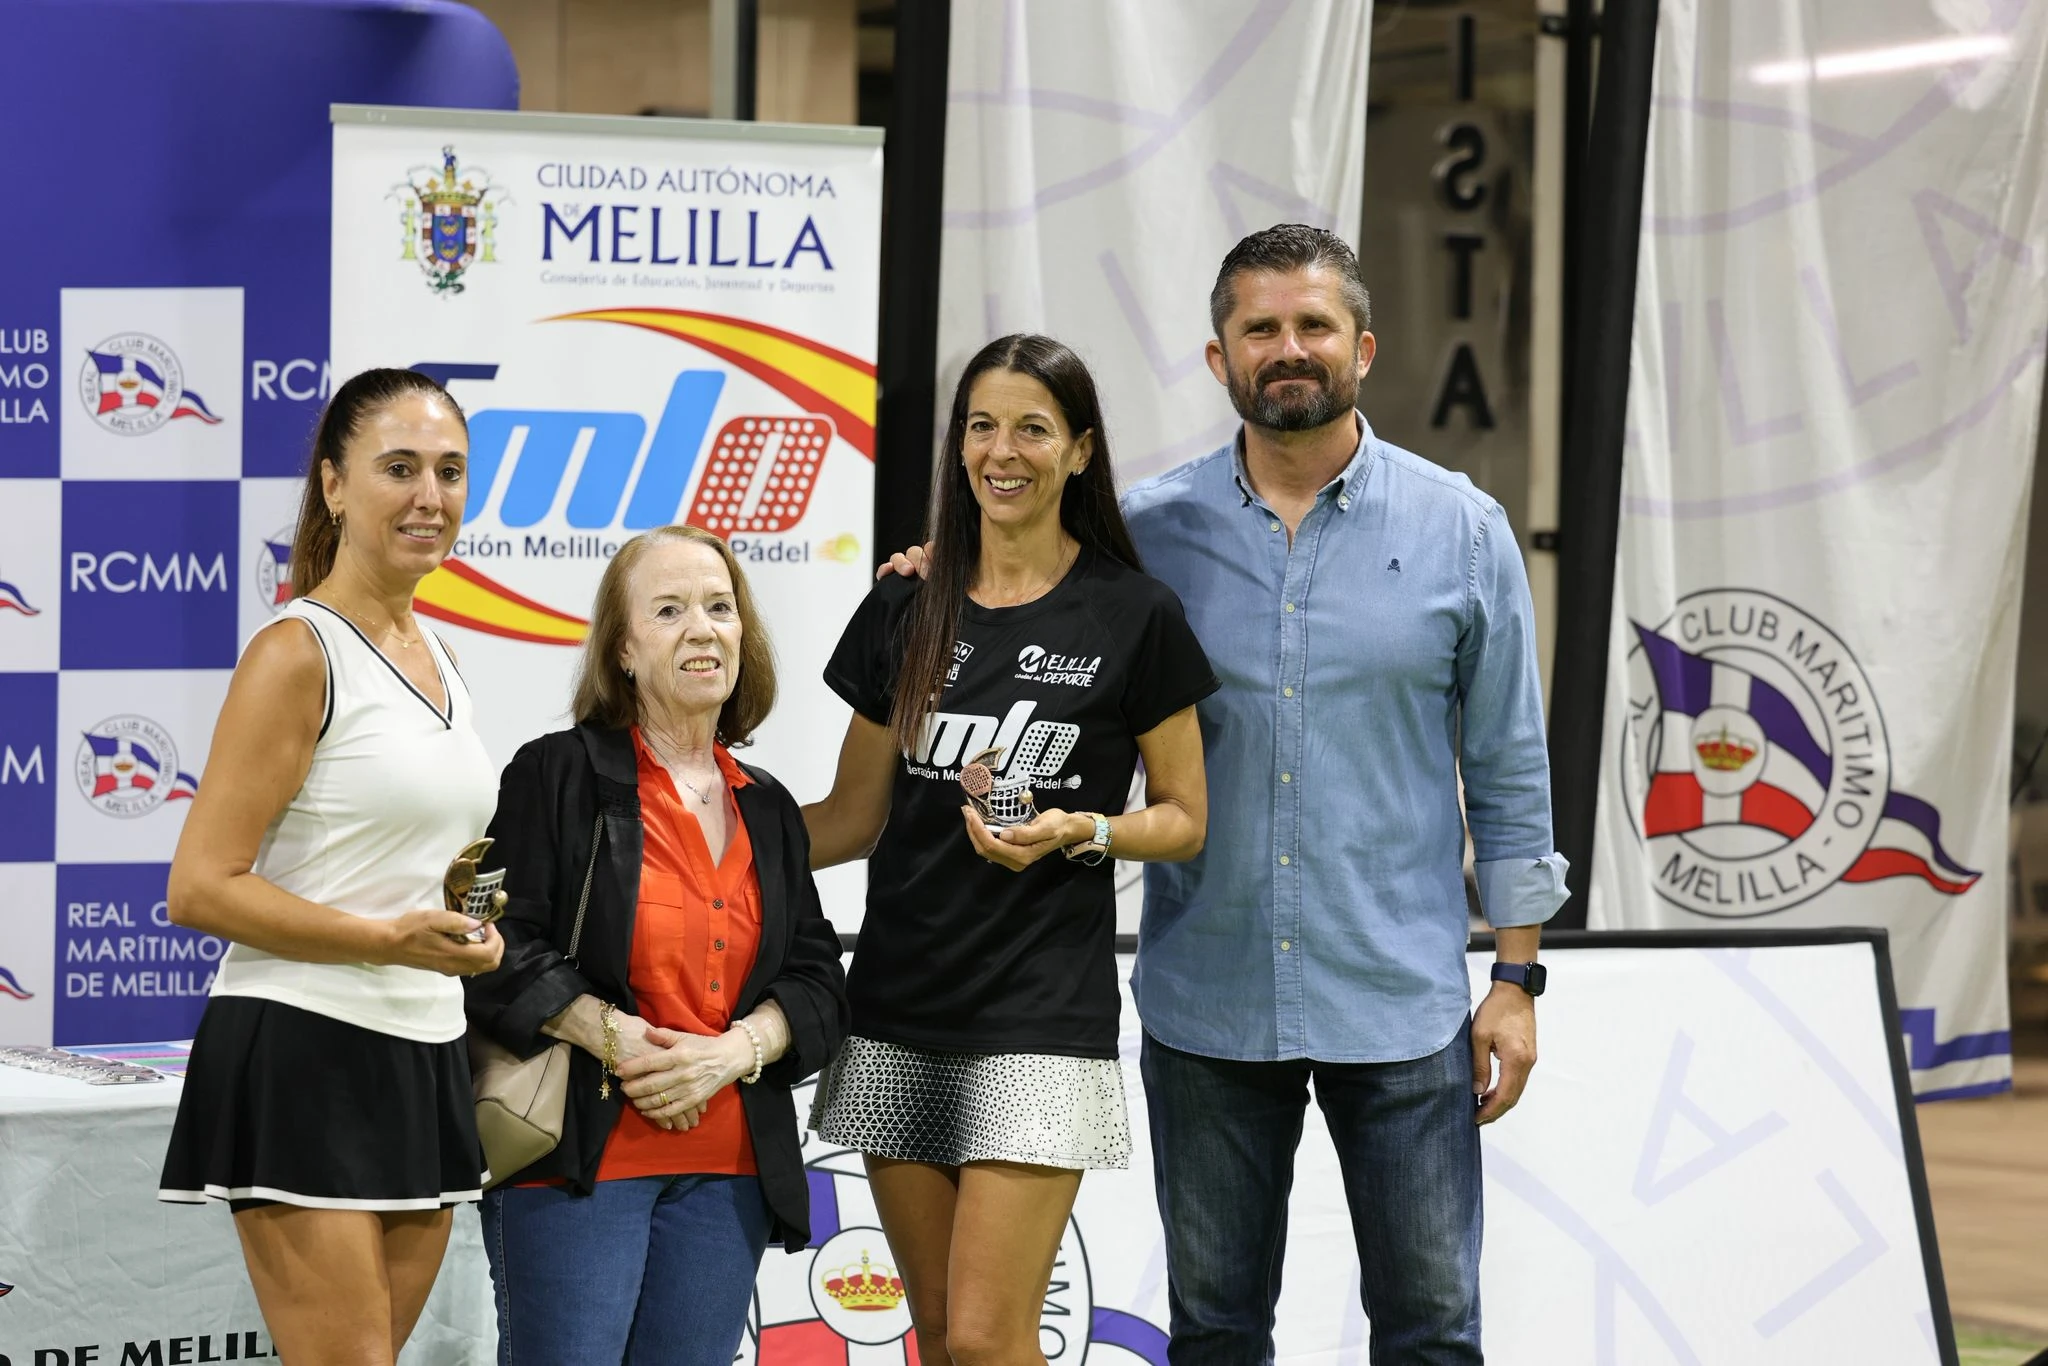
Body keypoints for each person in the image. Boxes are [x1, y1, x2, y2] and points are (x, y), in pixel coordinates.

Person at [887, 226, 1567, 1363]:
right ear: (1219, 358)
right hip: (1207, 1001)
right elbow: (1014, 579)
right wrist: (932, 572)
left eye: (1312, 325)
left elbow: (1508, 766)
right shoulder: (1144, 536)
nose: (1286, 348)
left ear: (1362, 347)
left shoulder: (1462, 530)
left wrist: (1516, 977)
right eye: (1259, 328)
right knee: (1213, 1336)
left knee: (1432, 1334)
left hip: (1401, 1002)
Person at [802, 334, 1216, 1366]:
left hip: (1038, 1016)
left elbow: (1183, 816)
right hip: (895, 1007)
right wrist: (693, 839)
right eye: (981, 426)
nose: (1002, 450)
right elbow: (849, 817)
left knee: (991, 1341)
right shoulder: (905, 604)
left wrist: (1086, 831)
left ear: (1080, 451)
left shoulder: (1134, 614)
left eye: (1033, 428)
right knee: (941, 1338)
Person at [159, 368, 504, 1366]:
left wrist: (468, 929)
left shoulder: (443, 657)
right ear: (335, 485)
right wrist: (384, 939)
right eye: (399, 468)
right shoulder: (296, 652)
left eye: (449, 471)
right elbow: (200, 886)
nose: (429, 496)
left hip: (426, 1049)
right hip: (305, 1047)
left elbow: (398, 863)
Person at [464, 524, 849, 1364]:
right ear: (624, 650)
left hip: (731, 1167)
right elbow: (497, 943)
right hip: (579, 1158)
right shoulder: (556, 774)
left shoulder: (769, 806)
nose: (702, 629)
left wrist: (733, 1053)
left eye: (719, 607)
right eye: (669, 611)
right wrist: (618, 1037)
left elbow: (818, 979)